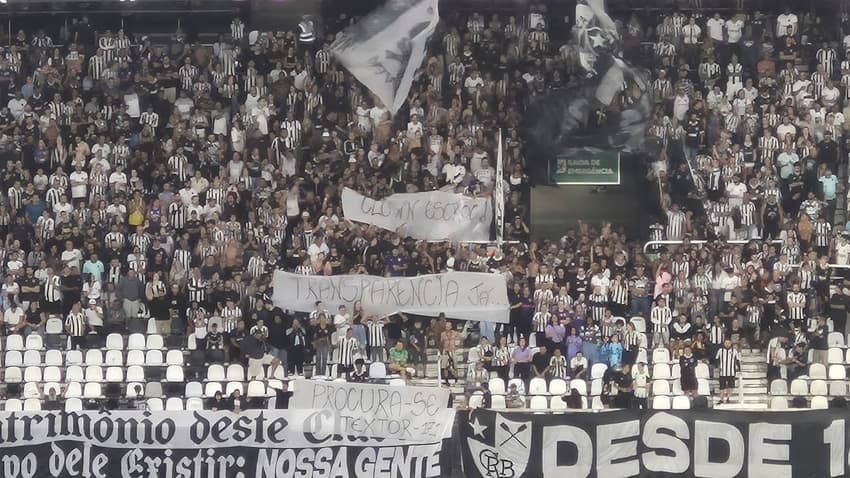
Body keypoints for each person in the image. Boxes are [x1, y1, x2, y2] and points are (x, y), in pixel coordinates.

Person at [715, 339, 740, 404]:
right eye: (726, 343)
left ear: (731, 343)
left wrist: (739, 369)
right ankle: (721, 399)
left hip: (731, 372)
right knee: (722, 386)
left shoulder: (734, 351)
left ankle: (728, 398)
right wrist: (718, 366)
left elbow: (737, 360)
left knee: (731, 386)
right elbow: (717, 359)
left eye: (728, 343)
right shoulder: (720, 350)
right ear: (724, 343)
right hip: (722, 372)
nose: (727, 344)